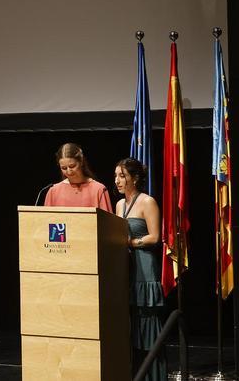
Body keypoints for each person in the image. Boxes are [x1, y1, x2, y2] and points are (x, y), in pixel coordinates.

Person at [115, 158, 167, 381]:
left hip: (145, 268)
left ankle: (154, 376)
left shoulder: (147, 202)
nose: (117, 180)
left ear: (134, 178)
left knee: (147, 323)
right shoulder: (119, 205)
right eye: (116, 175)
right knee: (132, 325)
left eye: (122, 176)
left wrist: (131, 243)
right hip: (125, 268)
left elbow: (155, 237)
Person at [42, 143, 114, 212]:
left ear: (81, 161)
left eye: (72, 166)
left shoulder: (98, 189)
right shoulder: (53, 191)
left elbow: (107, 223)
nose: (69, 172)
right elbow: (46, 222)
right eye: (64, 168)